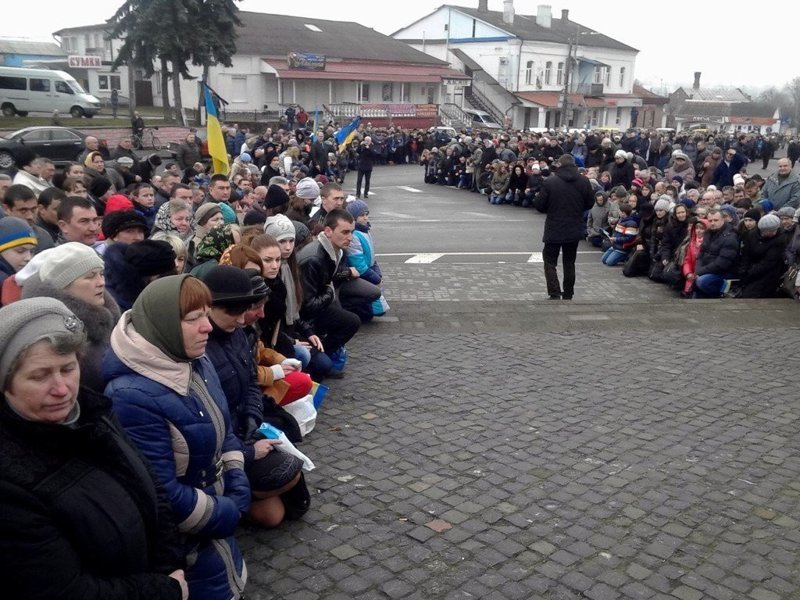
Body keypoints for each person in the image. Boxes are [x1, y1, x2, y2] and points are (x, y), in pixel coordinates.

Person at [0, 297, 188, 600]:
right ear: (5, 383)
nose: (62, 389)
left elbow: (150, 485)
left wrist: (170, 565)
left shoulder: (92, 412)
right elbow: (65, 590)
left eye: (68, 368)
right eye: (39, 375)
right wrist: (164, 589)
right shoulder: (11, 481)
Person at [103, 275, 250, 600]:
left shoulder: (192, 358)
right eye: (192, 318)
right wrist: (225, 511)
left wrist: (237, 476)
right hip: (187, 546)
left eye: (206, 314)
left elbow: (222, 428)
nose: (207, 326)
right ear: (163, 323)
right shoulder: (131, 395)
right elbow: (162, 493)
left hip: (216, 527)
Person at [201, 265, 307, 528]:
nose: (241, 319)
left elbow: (249, 380)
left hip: (240, 428)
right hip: (224, 446)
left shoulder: (237, 332)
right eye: (233, 312)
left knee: (290, 497)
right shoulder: (200, 346)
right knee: (273, 514)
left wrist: (252, 416)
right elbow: (207, 419)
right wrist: (247, 451)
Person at [21, 242, 120, 392]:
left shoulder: (109, 320)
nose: (101, 282)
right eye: (89, 277)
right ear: (64, 286)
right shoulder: (54, 335)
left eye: (101, 274)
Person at [296, 209, 361, 373]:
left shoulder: (333, 251)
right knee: (322, 367)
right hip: (303, 318)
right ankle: (317, 357)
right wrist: (329, 292)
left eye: (351, 232)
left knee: (351, 321)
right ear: (328, 231)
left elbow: (327, 279)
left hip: (318, 304)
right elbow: (306, 307)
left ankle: (323, 351)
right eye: (345, 232)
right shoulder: (314, 259)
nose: (350, 238)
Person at [533, 154, 595, 300]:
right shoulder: (584, 181)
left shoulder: (551, 182)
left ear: (560, 165)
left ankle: (554, 292)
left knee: (549, 261)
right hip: (573, 225)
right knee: (569, 262)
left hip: (554, 225)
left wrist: (551, 207)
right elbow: (590, 203)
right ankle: (568, 293)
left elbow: (539, 205)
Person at [693, 208, 739, 298]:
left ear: (722, 220)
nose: (712, 223)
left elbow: (721, 264)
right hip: (707, 269)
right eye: (710, 220)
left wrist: (700, 272)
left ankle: (718, 297)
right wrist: (697, 270)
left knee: (702, 281)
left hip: (723, 273)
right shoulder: (708, 233)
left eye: (715, 220)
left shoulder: (730, 238)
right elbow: (700, 255)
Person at [738, 214, 787, 298]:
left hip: (769, 272)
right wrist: (743, 271)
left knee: (751, 293)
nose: (774, 233)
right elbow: (746, 255)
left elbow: (768, 263)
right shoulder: (752, 235)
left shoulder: (780, 239)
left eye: (775, 230)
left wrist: (749, 273)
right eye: (771, 231)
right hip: (752, 267)